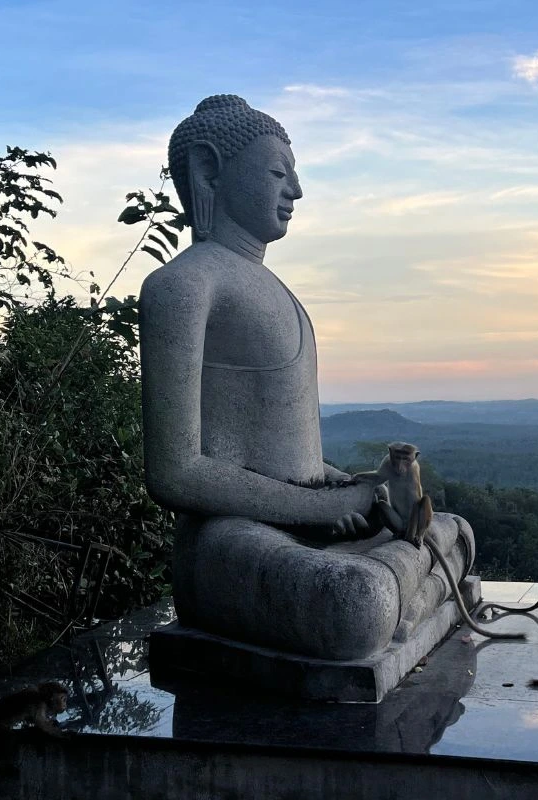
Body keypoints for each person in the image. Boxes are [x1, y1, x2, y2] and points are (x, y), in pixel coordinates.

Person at [139, 95, 475, 661]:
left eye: (293, 175)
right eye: (277, 172)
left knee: (456, 530)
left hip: (303, 521)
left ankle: (408, 597)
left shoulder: (271, 288)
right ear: (209, 169)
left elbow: (284, 453)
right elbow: (175, 472)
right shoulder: (184, 286)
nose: (295, 191)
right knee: (356, 601)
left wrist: (353, 485)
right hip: (231, 536)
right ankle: (409, 598)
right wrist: (318, 508)